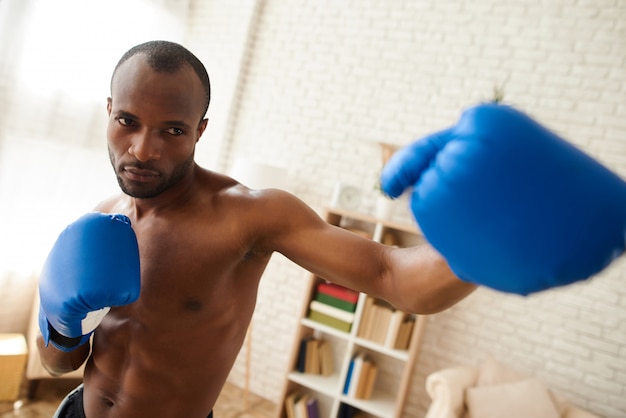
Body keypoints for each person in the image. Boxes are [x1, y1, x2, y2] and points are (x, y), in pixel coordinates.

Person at [37, 40, 476, 418]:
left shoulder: (247, 215)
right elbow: (60, 364)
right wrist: (62, 325)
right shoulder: (102, 218)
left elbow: (390, 274)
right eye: (128, 121)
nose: (143, 149)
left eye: (172, 130)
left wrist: (486, 244)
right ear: (109, 111)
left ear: (199, 131)